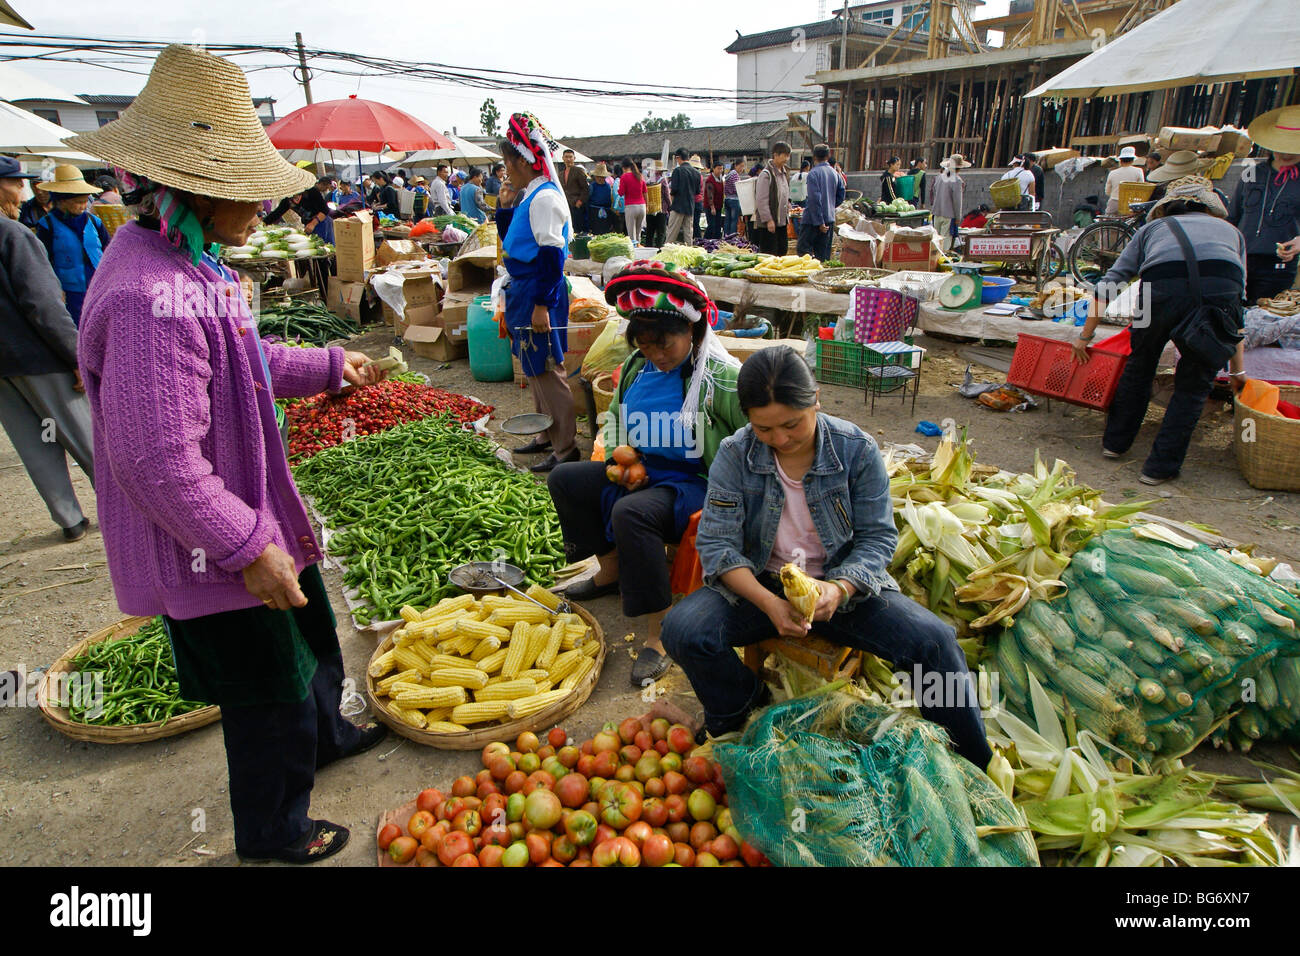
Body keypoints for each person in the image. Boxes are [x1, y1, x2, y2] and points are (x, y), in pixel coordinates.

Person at [67, 44, 392, 864]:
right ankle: (274, 829)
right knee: (263, 693)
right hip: (211, 538)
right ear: (194, 191)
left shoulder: (189, 262)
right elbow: (160, 462)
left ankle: (326, 739)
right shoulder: (150, 298)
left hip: (253, 508)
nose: (263, 203)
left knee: (310, 639)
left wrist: (327, 365)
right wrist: (246, 547)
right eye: (246, 189)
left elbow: (244, 362)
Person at [660, 346, 994, 766]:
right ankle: (742, 712)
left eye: (791, 424)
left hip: (842, 584)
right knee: (683, 629)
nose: (779, 439)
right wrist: (770, 603)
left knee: (935, 642)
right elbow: (717, 545)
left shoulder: (856, 450)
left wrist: (838, 589)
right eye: (764, 429)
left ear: (814, 398)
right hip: (762, 582)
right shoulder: (735, 452)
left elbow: (876, 539)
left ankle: (970, 761)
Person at [549, 262, 746, 685]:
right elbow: (616, 421)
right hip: (641, 471)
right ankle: (611, 569)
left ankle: (659, 634)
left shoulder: (720, 379)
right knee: (564, 479)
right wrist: (616, 464)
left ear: (692, 330)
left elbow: (752, 435)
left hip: (694, 482)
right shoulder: (637, 368)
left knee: (633, 513)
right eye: (646, 343)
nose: (656, 353)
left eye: (665, 344)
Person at [1071, 176, 1247, 486]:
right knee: (1193, 383)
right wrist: (1237, 372)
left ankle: (1115, 444)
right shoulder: (1233, 233)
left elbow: (1111, 283)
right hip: (1219, 296)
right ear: (1210, 207)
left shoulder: (1151, 229)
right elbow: (1236, 311)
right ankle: (1159, 468)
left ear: (1167, 207)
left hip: (1158, 293)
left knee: (1140, 365)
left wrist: (1085, 337)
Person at [0, 155, 95, 542]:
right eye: (15, 183)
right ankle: (126, 507)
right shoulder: (14, 234)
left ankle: (69, 519)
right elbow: (42, 303)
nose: (23, 191)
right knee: (83, 434)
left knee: (35, 440)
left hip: (4, 368)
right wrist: (76, 356)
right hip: (39, 356)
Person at [495, 111, 579, 473]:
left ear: (521, 160)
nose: (505, 170)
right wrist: (503, 204)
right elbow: (513, 238)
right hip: (526, 290)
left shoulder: (545, 199)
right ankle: (546, 435)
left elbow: (550, 254)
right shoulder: (530, 194)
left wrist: (542, 305)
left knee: (547, 368)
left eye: (507, 163)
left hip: (537, 291)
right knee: (533, 367)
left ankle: (566, 449)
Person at [1229, 106, 1300, 303]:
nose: (1285, 155)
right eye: (1280, 149)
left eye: (1292, 149)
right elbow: (1233, 215)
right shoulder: (1251, 172)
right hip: (1240, 258)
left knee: (1264, 320)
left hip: (1278, 264)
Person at [33, 165, 111, 328]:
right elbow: (42, 261)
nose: (83, 206)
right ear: (62, 201)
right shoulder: (47, 225)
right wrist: (54, 289)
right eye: (78, 202)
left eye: (85, 201)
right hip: (69, 291)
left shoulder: (94, 222)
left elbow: (109, 250)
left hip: (98, 287)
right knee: (76, 328)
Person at [797, 143, 844, 261]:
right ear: (828, 156)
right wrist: (829, 206)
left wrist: (819, 222)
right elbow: (841, 195)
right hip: (829, 219)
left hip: (812, 221)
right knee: (823, 256)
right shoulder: (835, 174)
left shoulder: (813, 173)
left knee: (803, 252)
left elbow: (814, 199)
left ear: (814, 157)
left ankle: (807, 278)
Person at [753, 141, 792, 256]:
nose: (786, 158)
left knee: (782, 251)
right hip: (769, 223)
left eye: (788, 155)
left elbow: (784, 193)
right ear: (775, 155)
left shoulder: (784, 172)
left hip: (781, 222)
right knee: (770, 254)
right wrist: (768, 220)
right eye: (784, 155)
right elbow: (761, 200)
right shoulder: (766, 174)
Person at [930, 154, 969, 251]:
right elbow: (957, 201)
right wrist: (958, 217)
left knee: (936, 240)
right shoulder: (957, 180)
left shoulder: (939, 177)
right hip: (949, 214)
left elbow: (935, 193)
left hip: (936, 212)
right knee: (945, 241)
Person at [665, 148, 700, 245]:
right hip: (690, 206)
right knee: (688, 234)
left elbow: (674, 190)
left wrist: (671, 204)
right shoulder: (696, 173)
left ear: (678, 158)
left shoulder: (677, 171)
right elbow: (697, 191)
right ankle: (690, 254)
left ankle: (666, 252)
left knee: (672, 233)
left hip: (678, 206)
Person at [1104, 146, 1146, 216]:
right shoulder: (1138, 171)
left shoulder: (1112, 173)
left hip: (1114, 202)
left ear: (1120, 160)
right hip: (1130, 204)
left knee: (1107, 223)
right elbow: (1141, 189)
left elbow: (1107, 192)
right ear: (1132, 160)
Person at [295, 175, 335, 243]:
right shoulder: (313, 192)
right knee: (320, 241)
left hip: (320, 220)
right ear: (321, 184)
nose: (326, 190)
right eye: (326, 187)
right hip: (317, 221)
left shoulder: (317, 192)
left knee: (323, 242)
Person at [558, 148, 588, 233]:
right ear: (563, 158)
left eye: (570, 157)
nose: (568, 159)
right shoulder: (560, 174)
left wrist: (580, 201)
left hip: (576, 204)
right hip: (565, 204)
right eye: (566, 157)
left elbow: (585, 188)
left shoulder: (578, 171)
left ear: (574, 158)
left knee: (577, 229)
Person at [619, 155, 647, 245]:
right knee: (638, 233)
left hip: (631, 207)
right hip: (642, 206)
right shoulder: (639, 176)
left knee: (631, 234)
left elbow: (621, 192)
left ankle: (634, 252)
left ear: (623, 167)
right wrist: (647, 205)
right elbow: (645, 192)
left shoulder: (624, 177)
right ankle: (639, 250)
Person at [586, 161, 616, 234]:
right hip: (594, 212)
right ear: (595, 177)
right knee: (596, 231)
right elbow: (587, 200)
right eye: (598, 176)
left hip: (607, 212)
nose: (600, 178)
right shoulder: (592, 186)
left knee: (605, 231)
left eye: (602, 177)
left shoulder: (608, 187)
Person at [643, 159, 666, 247]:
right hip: (661, 209)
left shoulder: (648, 181)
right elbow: (666, 195)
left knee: (650, 231)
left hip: (650, 209)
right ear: (661, 170)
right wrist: (670, 206)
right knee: (661, 231)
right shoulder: (663, 180)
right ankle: (659, 248)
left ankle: (648, 248)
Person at [704, 160, 726, 241]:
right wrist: (712, 207)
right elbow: (710, 195)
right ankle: (705, 241)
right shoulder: (710, 180)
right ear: (713, 169)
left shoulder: (720, 179)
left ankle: (716, 242)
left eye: (721, 169)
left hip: (718, 205)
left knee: (717, 225)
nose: (720, 171)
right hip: (711, 206)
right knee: (711, 225)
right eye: (718, 169)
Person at [723, 160, 742, 237]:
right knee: (734, 220)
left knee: (728, 220)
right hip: (734, 200)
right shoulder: (735, 175)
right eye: (741, 166)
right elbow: (737, 188)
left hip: (727, 199)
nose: (742, 168)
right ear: (736, 166)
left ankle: (726, 236)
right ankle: (732, 237)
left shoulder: (728, 175)